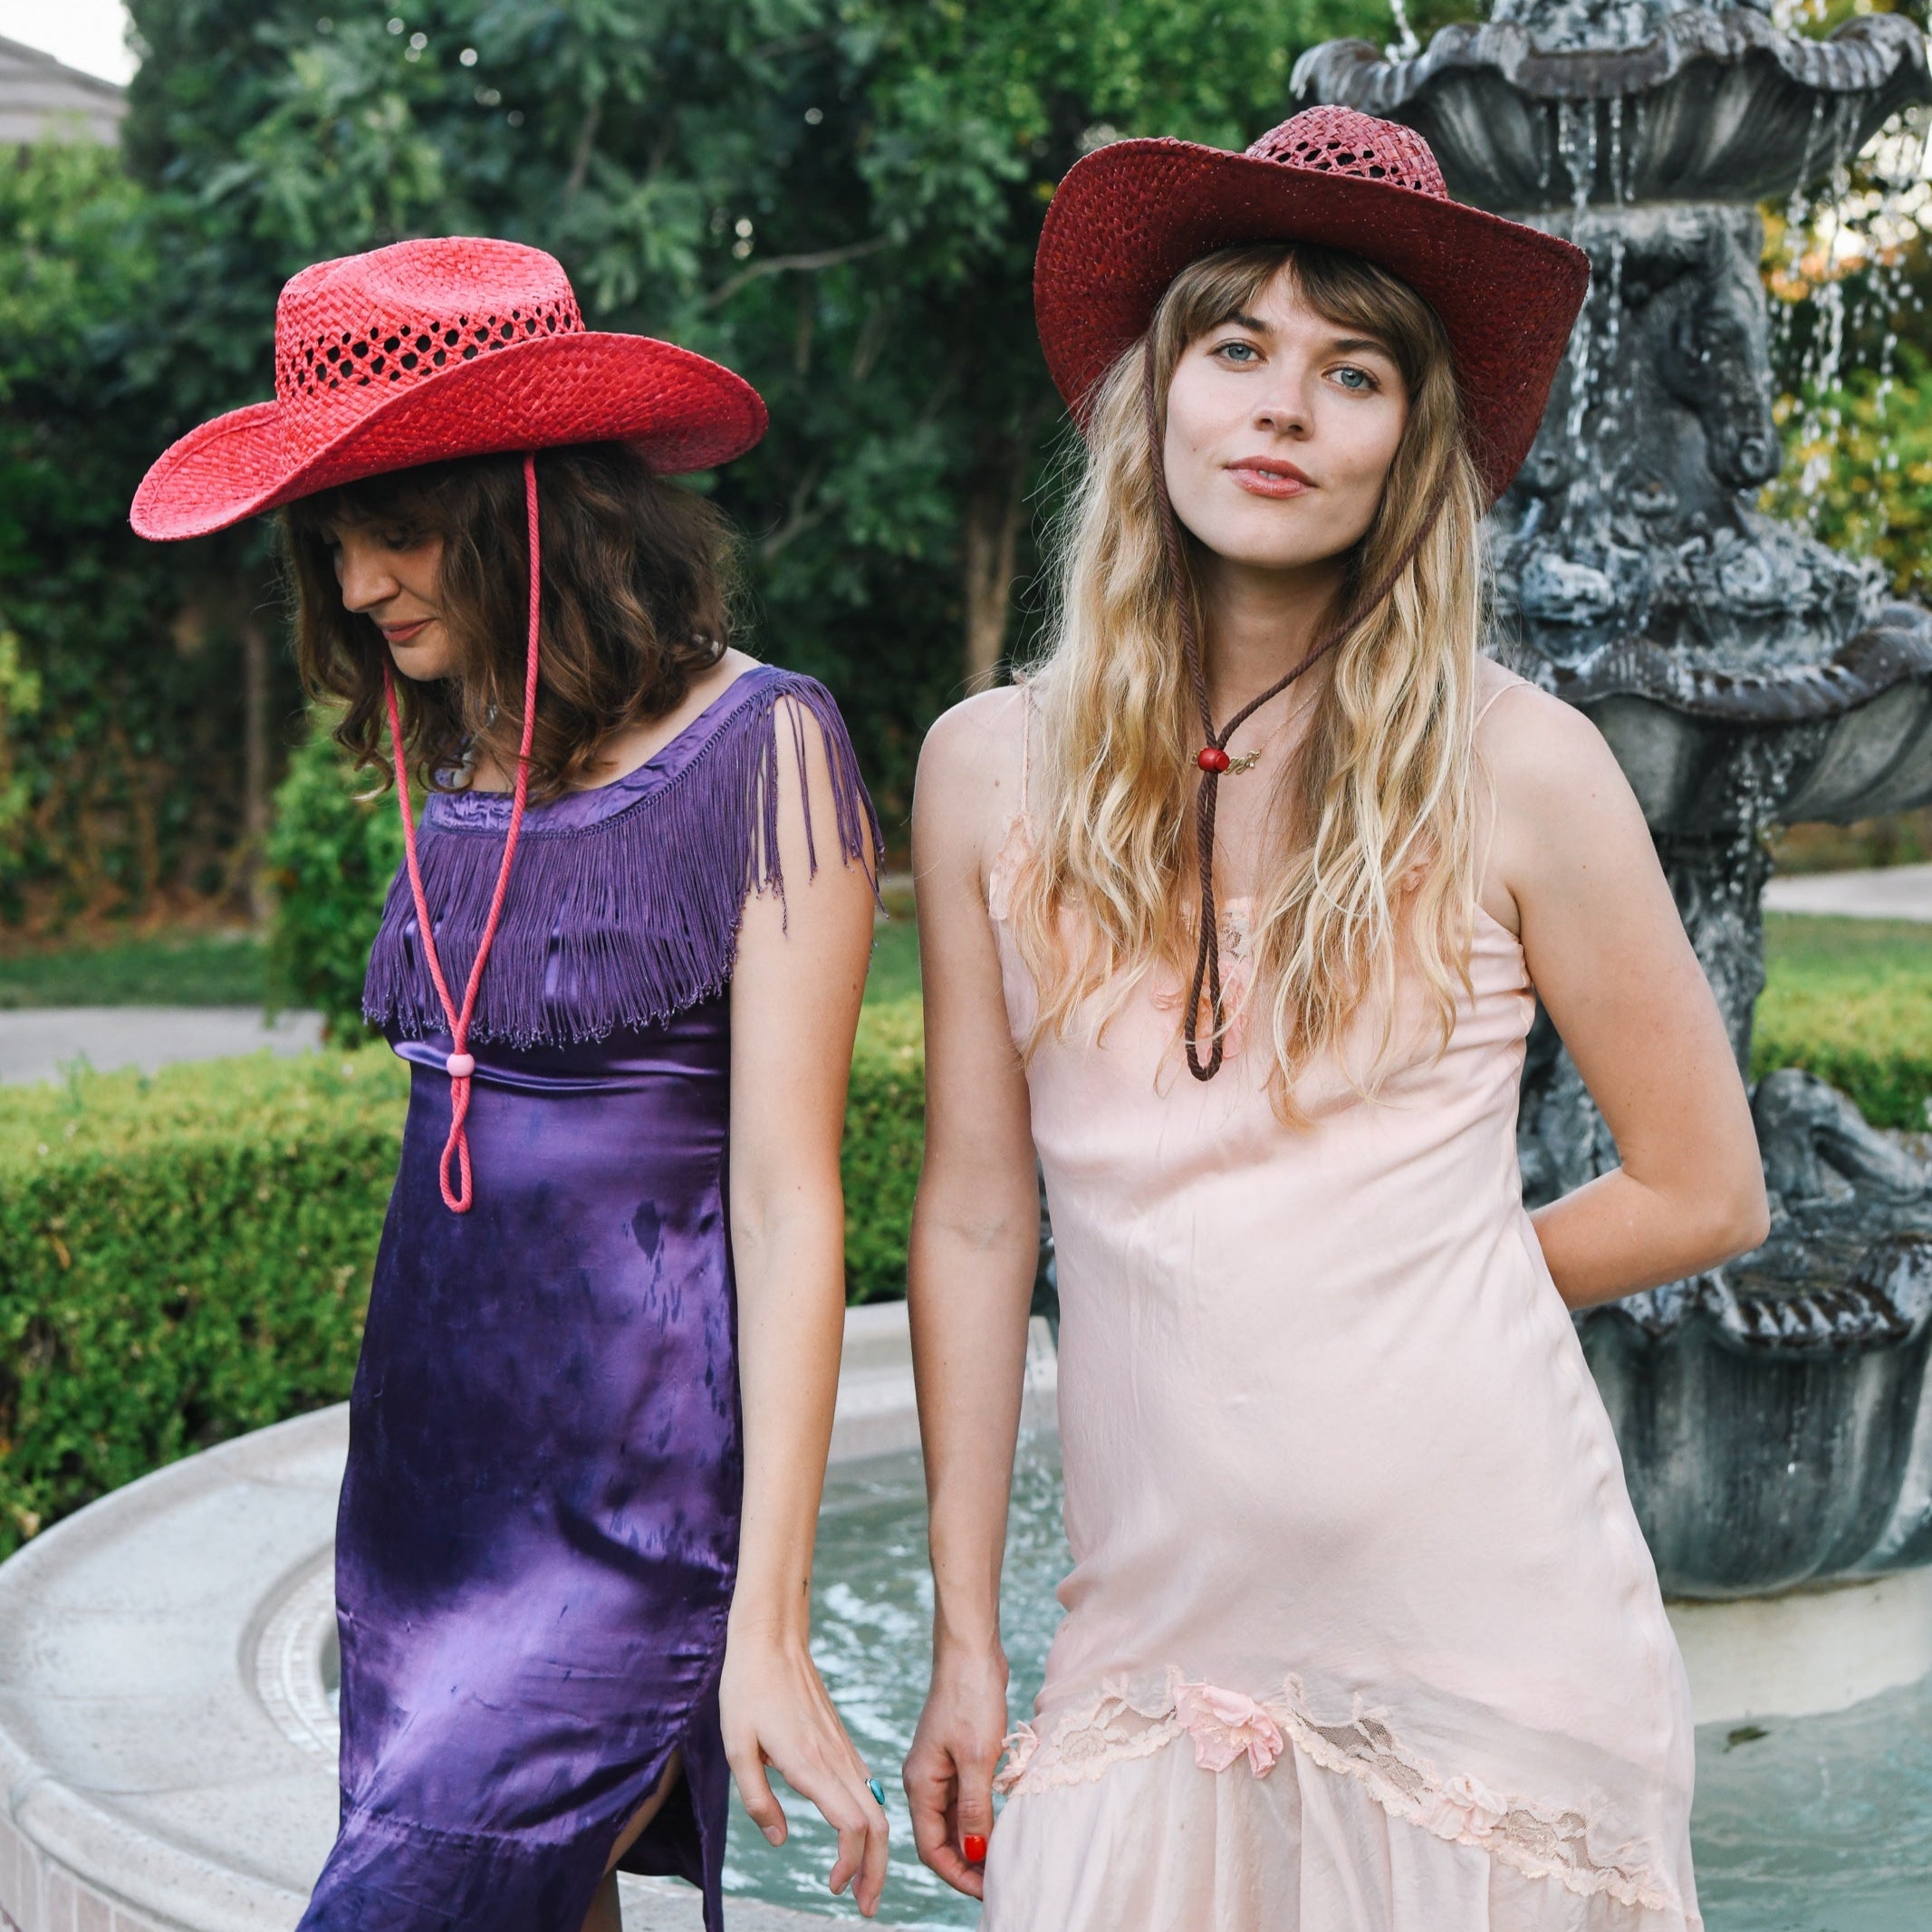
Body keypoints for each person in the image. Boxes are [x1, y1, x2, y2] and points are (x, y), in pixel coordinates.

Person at [903, 108, 1766, 1931]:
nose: (1281, 407)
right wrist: (962, 1631)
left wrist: (1412, 1291)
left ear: (1407, 441)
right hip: (1145, 1635)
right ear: (1152, 396)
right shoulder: (987, 773)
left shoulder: (1520, 768)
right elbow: (980, 1216)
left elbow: (1703, 1186)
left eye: (1349, 369)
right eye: (1235, 349)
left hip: (1486, 1643)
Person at [132, 237, 889, 1932]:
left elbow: (785, 1199)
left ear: (531, 506)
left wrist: (767, 1623)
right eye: (327, 540)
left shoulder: (759, 747)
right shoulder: (448, 755)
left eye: (394, 528)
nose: (352, 585)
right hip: (420, 1502)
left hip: (627, 1515)